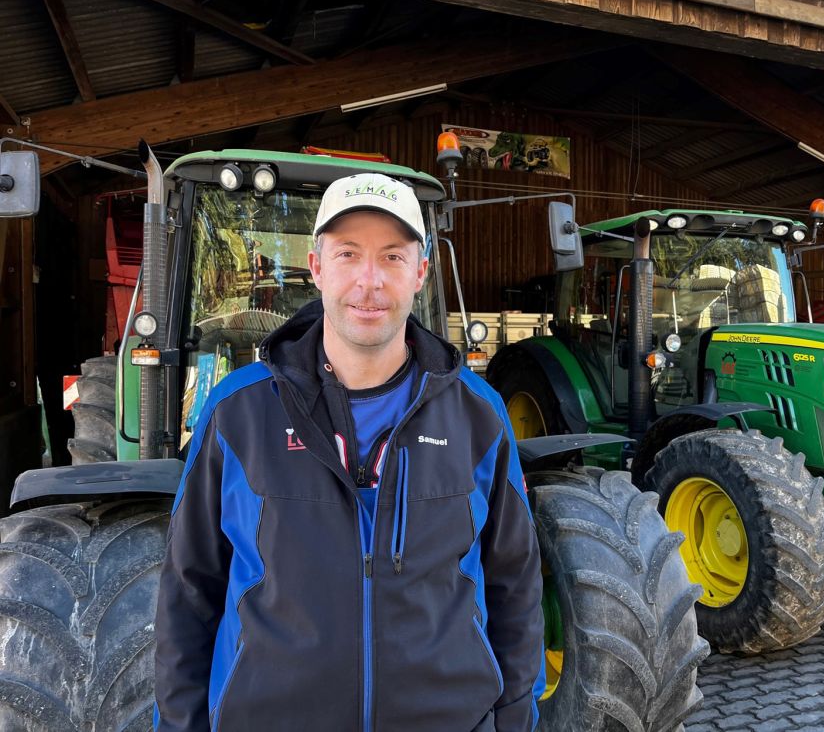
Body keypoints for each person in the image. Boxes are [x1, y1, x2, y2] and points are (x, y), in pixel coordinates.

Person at [154, 172, 546, 731]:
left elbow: (515, 585)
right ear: (316, 269)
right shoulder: (237, 414)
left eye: (391, 257)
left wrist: (513, 723)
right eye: (348, 254)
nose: (370, 281)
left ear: (420, 273)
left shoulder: (479, 415)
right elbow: (187, 593)